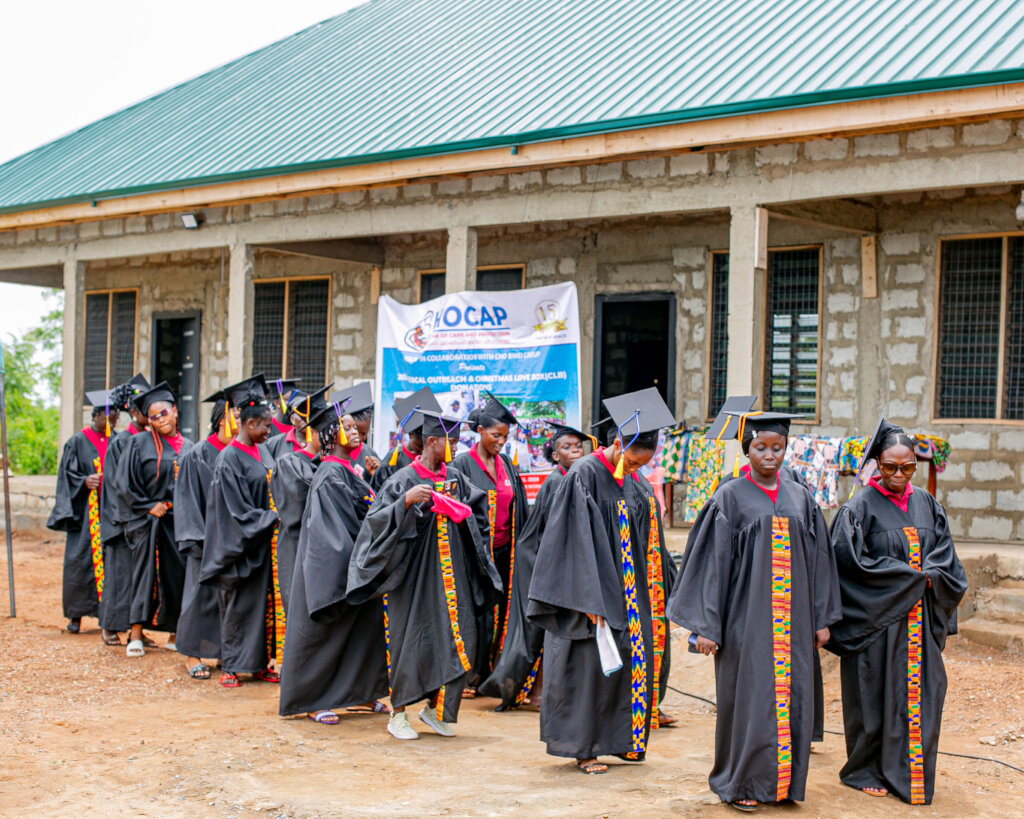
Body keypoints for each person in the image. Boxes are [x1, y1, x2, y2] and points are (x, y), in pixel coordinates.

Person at [667, 411, 841, 811]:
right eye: (760, 448)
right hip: (745, 621)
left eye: (777, 448)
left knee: (791, 698)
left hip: (794, 623)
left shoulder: (800, 497)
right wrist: (706, 627)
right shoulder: (729, 496)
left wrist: (821, 618)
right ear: (747, 450)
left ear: (786, 449)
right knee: (750, 701)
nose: (769, 455)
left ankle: (783, 785)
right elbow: (711, 564)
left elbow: (819, 560)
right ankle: (741, 783)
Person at [528, 387, 675, 775]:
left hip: (630, 590)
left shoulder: (633, 479)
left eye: (644, 460)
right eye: (633, 458)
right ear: (617, 443)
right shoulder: (585, 474)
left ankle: (623, 741)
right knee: (588, 667)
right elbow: (568, 541)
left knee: (629, 661)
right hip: (590, 591)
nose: (637, 466)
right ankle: (584, 747)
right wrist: (586, 600)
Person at [826, 417, 966, 805]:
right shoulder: (859, 508)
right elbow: (848, 566)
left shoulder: (927, 504)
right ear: (876, 464)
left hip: (919, 622)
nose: (899, 474)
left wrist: (930, 578)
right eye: (890, 466)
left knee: (924, 694)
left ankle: (911, 771)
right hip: (876, 623)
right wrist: (907, 579)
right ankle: (864, 770)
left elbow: (946, 559)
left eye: (908, 467)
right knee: (872, 695)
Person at [348, 410, 501, 741]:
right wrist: (405, 502)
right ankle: (398, 713)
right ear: (432, 442)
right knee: (410, 639)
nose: (456, 448)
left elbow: (479, 519)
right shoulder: (403, 480)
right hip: (413, 578)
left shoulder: (457, 479)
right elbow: (374, 526)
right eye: (452, 442)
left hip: (453, 575)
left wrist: (462, 514)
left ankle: (435, 709)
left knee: (458, 636)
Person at [279, 402, 390, 723]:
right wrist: (364, 556)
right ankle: (312, 700)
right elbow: (334, 531)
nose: (355, 431)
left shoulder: (345, 469)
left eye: (356, 427)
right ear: (330, 433)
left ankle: (362, 693)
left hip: (354, 563)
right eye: (348, 427)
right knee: (322, 634)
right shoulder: (329, 474)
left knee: (363, 630)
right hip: (331, 569)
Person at [479, 425, 589, 710]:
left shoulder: (576, 477)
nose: (576, 449)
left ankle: (543, 689)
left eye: (579, 445)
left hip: (557, 565)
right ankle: (527, 689)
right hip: (541, 564)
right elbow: (550, 534)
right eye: (567, 447)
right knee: (539, 630)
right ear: (555, 455)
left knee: (552, 629)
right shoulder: (556, 482)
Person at [199, 374, 283, 688]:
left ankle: (259, 662)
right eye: (265, 426)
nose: (269, 431)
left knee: (261, 606)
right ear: (249, 425)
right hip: (240, 547)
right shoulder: (228, 459)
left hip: (262, 542)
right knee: (238, 606)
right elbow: (234, 511)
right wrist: (269, 518)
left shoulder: (262, 452)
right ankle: (232, 666)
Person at [451, 392, 529, 696]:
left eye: (505, 436)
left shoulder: (506, 464)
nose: (501, 441)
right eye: (496, 435)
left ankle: (492, 672)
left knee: (501, 613)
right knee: (476, 614)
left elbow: (518, 507)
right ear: (480, 431)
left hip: (504, 552)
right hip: (474, 555)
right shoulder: (461, 465)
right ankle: (470, 674)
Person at [115, 382, 193, 658]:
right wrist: (149, 506)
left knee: (179, 575)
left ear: (174, 412)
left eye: (163, 413)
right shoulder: (138, 443)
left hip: (178, 522)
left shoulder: (190, 448)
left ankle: (174, 633)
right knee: (143, 575)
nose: (159, 420)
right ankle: (135, 634)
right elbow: (123, 484)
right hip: (147, 521)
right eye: (153, 416)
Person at [172, 391, 236, 679]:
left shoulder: (239, 453)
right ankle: (191, 654)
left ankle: (225, 653)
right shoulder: (197, 454)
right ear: (223, 419)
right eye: (236, 416)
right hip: (204, 540)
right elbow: (187, 500)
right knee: (199, 598)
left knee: (228, 599)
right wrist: (200, 539)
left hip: (233, 542)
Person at [47, 390, 119, 635]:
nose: (112, 423)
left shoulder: (118, 441)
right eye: (108, 418)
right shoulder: (78, 441)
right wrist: (84, 481)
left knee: (110, 564)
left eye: (115, 418)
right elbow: (66, 476)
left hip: (110, 512)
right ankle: (75, 615)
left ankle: (106, 616)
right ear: (96, 416)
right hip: (86, 513)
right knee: (79, 562)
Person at [269, 384, 332, 614]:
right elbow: (298, 515)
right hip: (298, 550)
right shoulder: (290, 464)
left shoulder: (332, 465)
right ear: (311, 432)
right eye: (328, 431)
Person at [97, 374, 150, 646]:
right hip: (122, 520)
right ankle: (109, 625)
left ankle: (136, 629)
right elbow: (118, 486)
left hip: (143, 519)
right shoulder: (121, 442)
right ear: (132, 411)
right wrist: (129, 518)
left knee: (140, 578)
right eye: (145, 407)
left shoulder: (150, 439)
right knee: (118, 576)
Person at [371, 387, 441, 492]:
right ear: (410, 434)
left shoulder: (436, 456)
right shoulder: (394, 459)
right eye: (420, 446)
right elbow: (381, 493)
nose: (424, 450)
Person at [330, 383, 380, 478]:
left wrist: (376, 474)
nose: (357, 436)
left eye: (364, 434)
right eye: (351, 428)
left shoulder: (370, 455)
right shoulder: (329, 454)